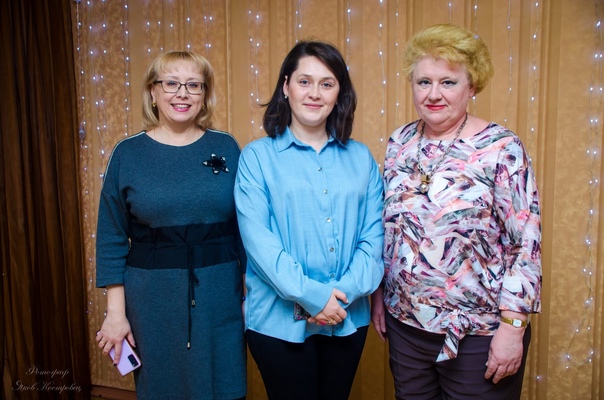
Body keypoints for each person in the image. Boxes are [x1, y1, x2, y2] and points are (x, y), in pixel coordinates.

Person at [371, 24, 542, 400]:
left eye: (447, 82)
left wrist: (513, 328)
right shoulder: (399, 143)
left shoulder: (501, 148)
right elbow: (390, 229)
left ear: (472, 86)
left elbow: (525, 244)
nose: (433, 94)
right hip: (406, 327)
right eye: (424, 82)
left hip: (478, 334)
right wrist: (379, 294)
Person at [234, 40, 384, 400]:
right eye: (304, 81)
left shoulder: (361, 158)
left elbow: (374, 238)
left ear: (339, 94)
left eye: (326, 83)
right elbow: (259, 244)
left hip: (347, 317)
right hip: (277, 323)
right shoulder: (257, 158)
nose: (314, 93)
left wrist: (339, 298)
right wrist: (315, 298)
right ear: (286, 87)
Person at [95, 51, 247, 399]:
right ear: (153, 92)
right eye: (171, 83)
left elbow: (244, 229)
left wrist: (248, 296)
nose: (183, 93)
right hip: (152, 301)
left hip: (220, 299)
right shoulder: (127, 153)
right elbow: (111, 237)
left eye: (194, 85)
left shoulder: (226, 146)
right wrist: (115, 314)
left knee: (224, 386)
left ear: (204, 94)